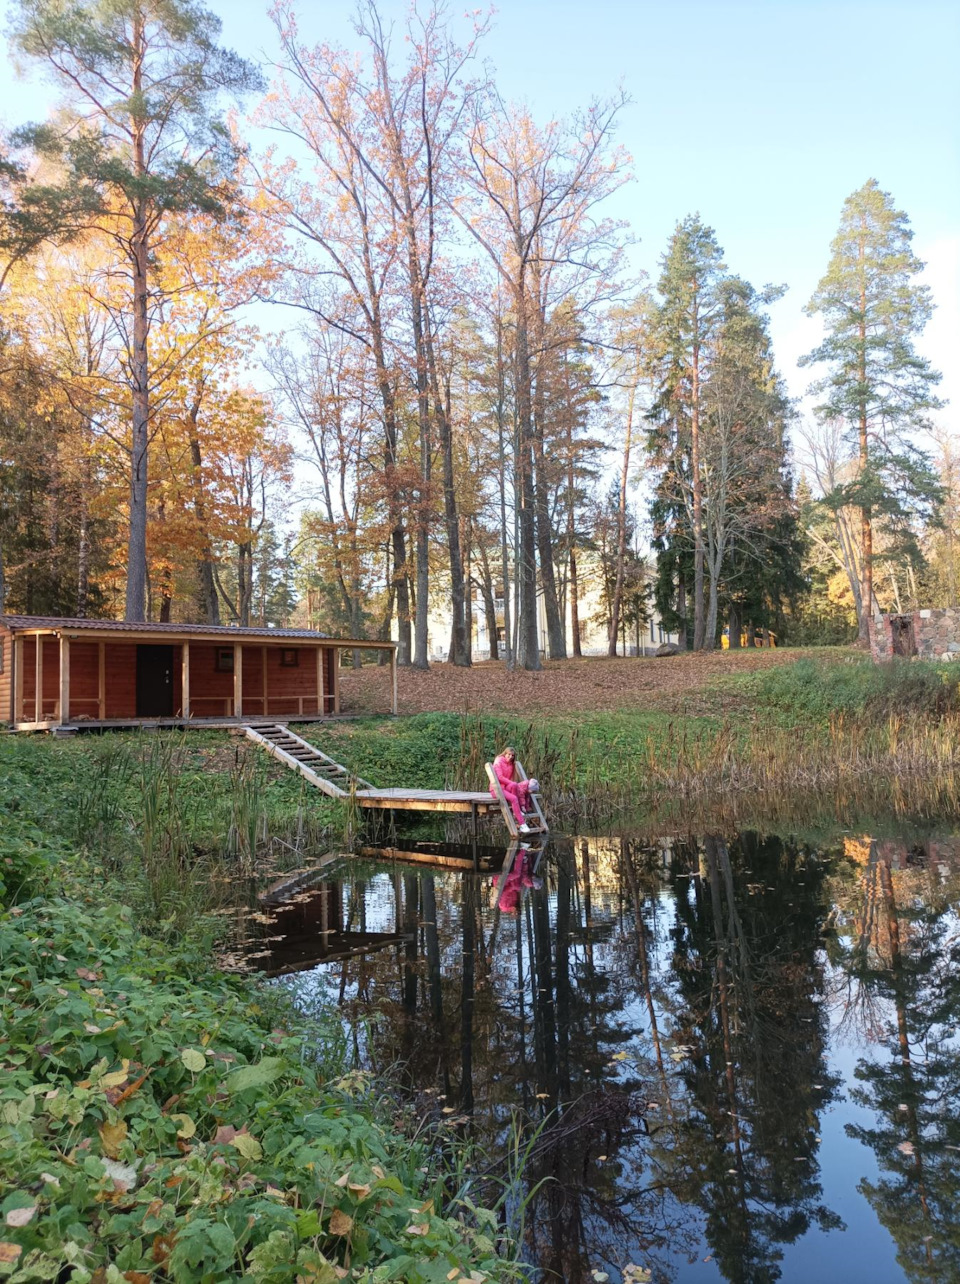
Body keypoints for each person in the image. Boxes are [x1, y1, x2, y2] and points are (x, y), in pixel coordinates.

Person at [491, 746, 535, 833]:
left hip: (505, 788)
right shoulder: (498, 762)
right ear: (505, 754)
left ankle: (517, 811)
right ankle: (522, 824)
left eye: (512, 755)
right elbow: (499, 777)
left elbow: (511, 780)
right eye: (509, 754)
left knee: (515, 785)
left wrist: (513, 784)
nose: (510, 757)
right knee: (514, 798)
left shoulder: (511, 764)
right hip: (496, 789)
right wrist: (511, 783)